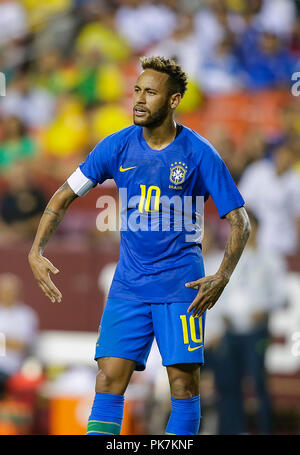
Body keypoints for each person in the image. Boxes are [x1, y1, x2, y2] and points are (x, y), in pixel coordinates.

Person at [28, 56, 250, 435]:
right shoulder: (116, 147)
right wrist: (36, 250)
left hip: (182, 288)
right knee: (108, 379)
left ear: (174, 100)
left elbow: (240, 222)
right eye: (136, 90)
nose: (139, 99)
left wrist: (222, 276)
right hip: (129, 285)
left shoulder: (198, 152)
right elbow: (64, 195)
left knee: (183, 386)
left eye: (150, 92)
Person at [203, 212, 287, 434]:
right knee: (229, 385)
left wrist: (264, 308)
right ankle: (234, 430)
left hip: (256, 332)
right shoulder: (227, 258)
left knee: (258, 383)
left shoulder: (270, 259)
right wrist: (222, 317)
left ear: (257, 229)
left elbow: (281, 295)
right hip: (230, 332)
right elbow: (220, 294)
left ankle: (265, 429)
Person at [0, 273, 39, 399]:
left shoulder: (25, 315)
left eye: (11, 291)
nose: (8, 294)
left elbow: (22, 345)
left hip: (10, 368)